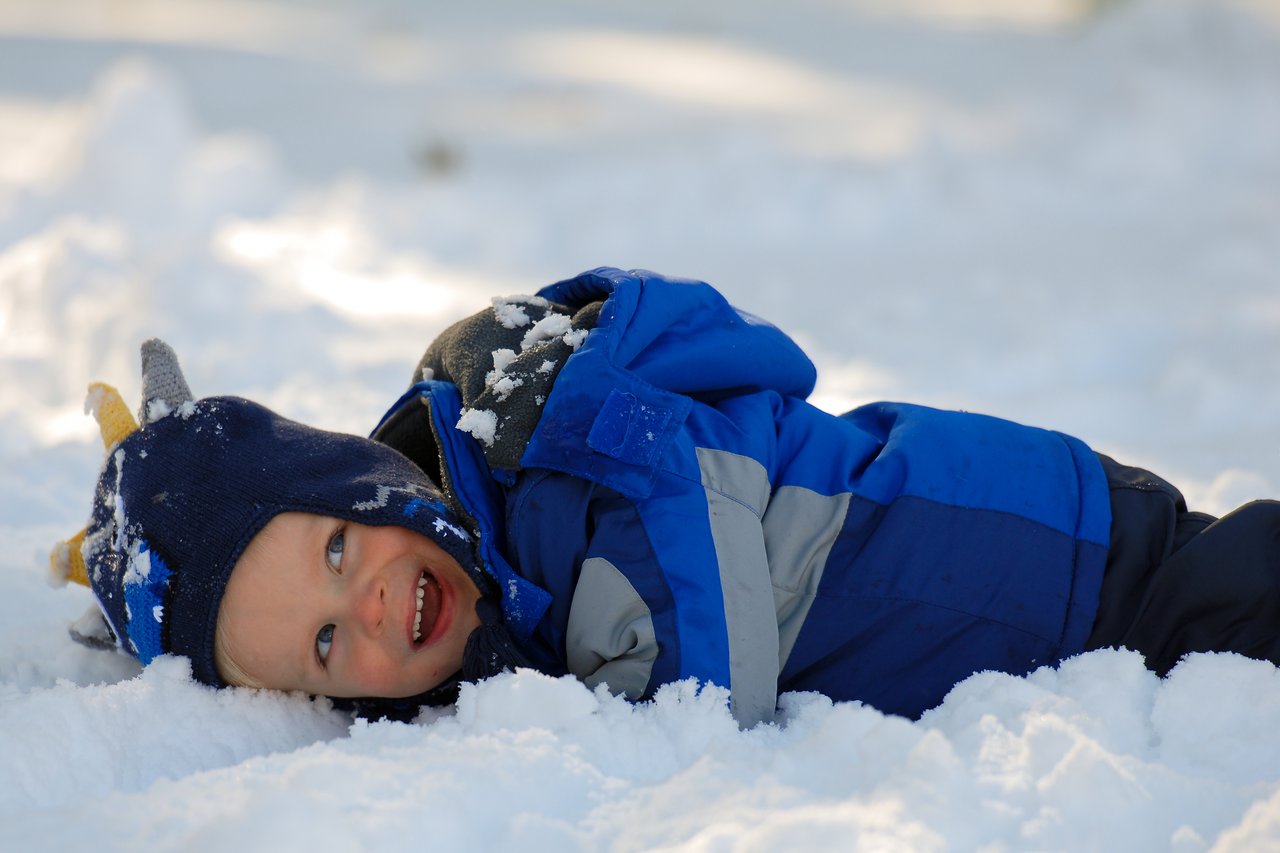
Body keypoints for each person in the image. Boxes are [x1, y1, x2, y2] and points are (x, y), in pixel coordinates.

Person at [51, 267, 1280, 726]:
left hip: (1065, 550)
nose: (366, 609)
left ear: (354, 479)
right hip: (1033, 633)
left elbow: (744, 374)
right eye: (321, 646)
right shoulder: (493, 645)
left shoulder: (534, 451)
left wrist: (589, 386)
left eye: (332, 551)